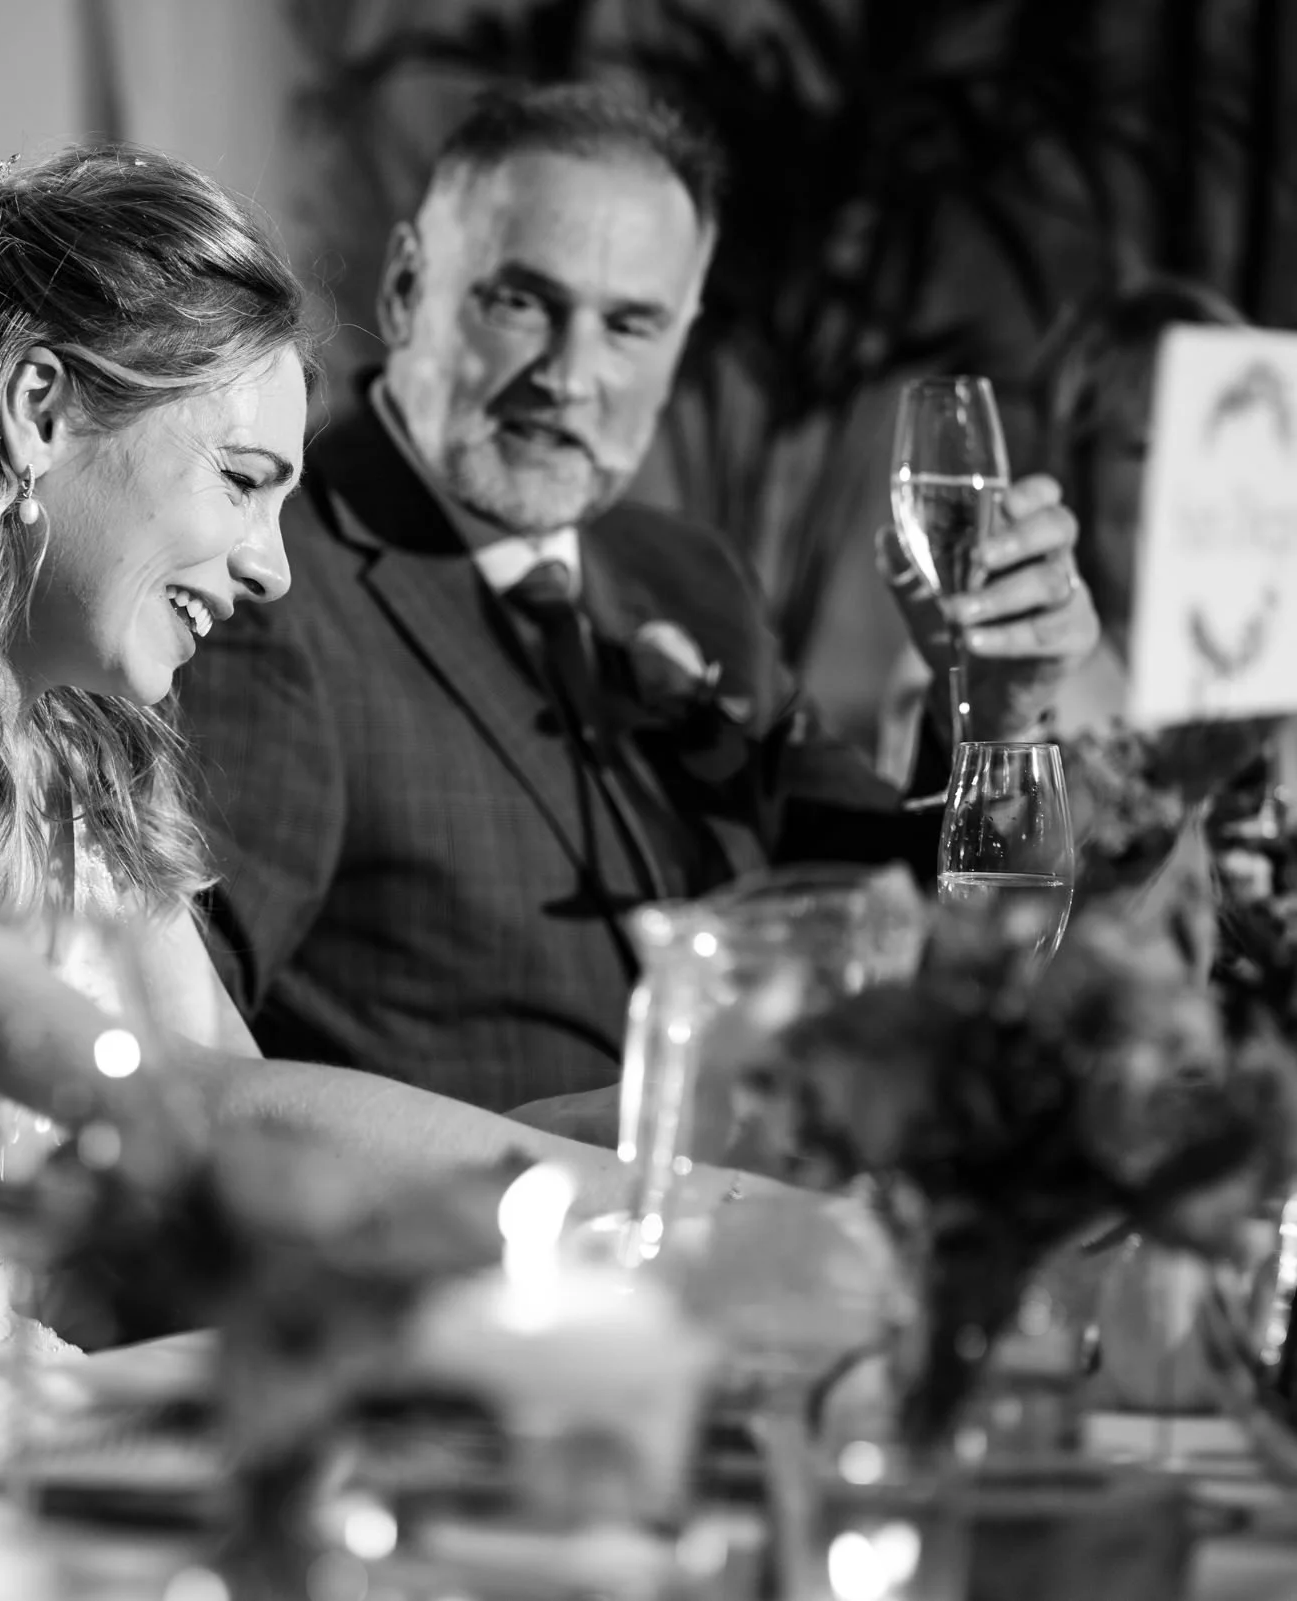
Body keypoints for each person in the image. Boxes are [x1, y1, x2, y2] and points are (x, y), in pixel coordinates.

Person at [0, 146, 753, 1350]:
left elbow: (252, 1159)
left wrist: (648, 1135)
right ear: (40, 409)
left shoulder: (73, 769)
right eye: (241, 479)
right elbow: (180, 1118)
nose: (274, 565)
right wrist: (695, 1220)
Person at [176, 83, 1099, 1134]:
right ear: (403, 289)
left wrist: (1001, 715)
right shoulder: (268, 585)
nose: (572, 377)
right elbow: (196, 1059)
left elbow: (899, 913)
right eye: (520, 302)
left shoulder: (688, 576)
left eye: (629, 324)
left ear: (680, 341)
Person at [879, 276, 1246, 777]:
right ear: (1078, 463)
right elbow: (913, 846)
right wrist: (992, 725)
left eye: (1223, 450)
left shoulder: (1267, 687)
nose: (1196, 487)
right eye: (1149, 448)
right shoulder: (980, 664)